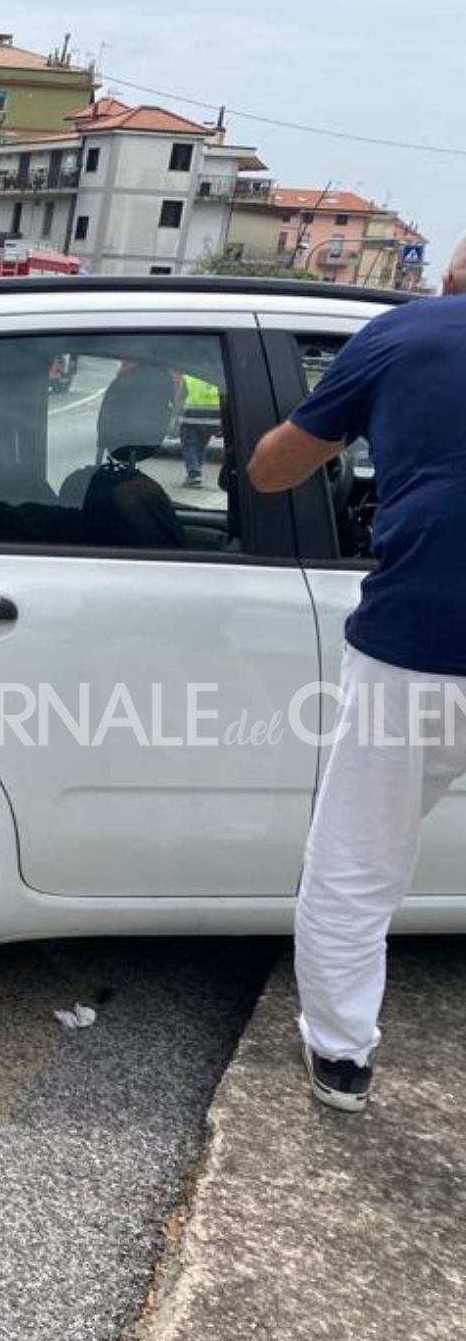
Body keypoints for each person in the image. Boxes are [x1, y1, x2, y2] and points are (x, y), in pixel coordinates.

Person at [248, 235, 466, 1113]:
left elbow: (270, 472)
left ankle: (341, 1056)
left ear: (450, 279)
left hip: (415, 639)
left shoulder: (399, 336)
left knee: (357, 861)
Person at [179, 371, 223, 488]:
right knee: (202, 444)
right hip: (214, 415)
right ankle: (196, 470)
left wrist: (175, 415)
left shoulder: (189, 374)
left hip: (192, 415)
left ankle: (194, 473)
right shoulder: (218, 373)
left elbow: (181, 395)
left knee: (189, 444)